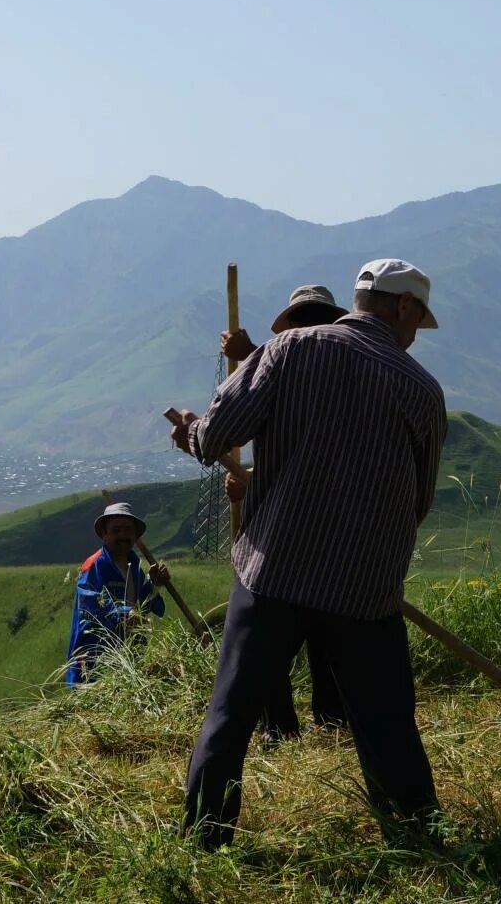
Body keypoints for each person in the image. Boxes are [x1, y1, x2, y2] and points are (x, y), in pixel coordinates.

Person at [169, 257, 447, 849]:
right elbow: (416, 503)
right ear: (403, 307)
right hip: (366, 594)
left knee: (231, 717)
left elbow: (218, 437)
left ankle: (203, 849)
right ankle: (421, 847)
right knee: (388, 729)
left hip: (275, 573)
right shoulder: (421, 390)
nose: (414, 335)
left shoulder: (288, 351)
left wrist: (192, 431)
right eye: (418, 322)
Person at [221, 284, 350, 735]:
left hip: (326, 538)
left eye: (316, 317)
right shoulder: (294, 362)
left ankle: (331, 725)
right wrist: (250, 482)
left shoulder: (343, 366)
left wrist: (251, 354)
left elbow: (300, 398)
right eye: (302, 319)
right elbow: (297, 450)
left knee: (326, 643)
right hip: (288, 541)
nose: (306, 327)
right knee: (271, 647)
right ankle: (281, 730)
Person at [64, 502, 172, 686]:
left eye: (128, 530)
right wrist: (125, 613)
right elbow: (91, 605)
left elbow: (144, 606)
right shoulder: (93, 566)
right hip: (96, 657)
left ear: (135, 536)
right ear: (104, 535)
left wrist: (155, 584)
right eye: (116, 530)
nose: (123, 535)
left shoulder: (134, 566)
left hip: (130, 652)